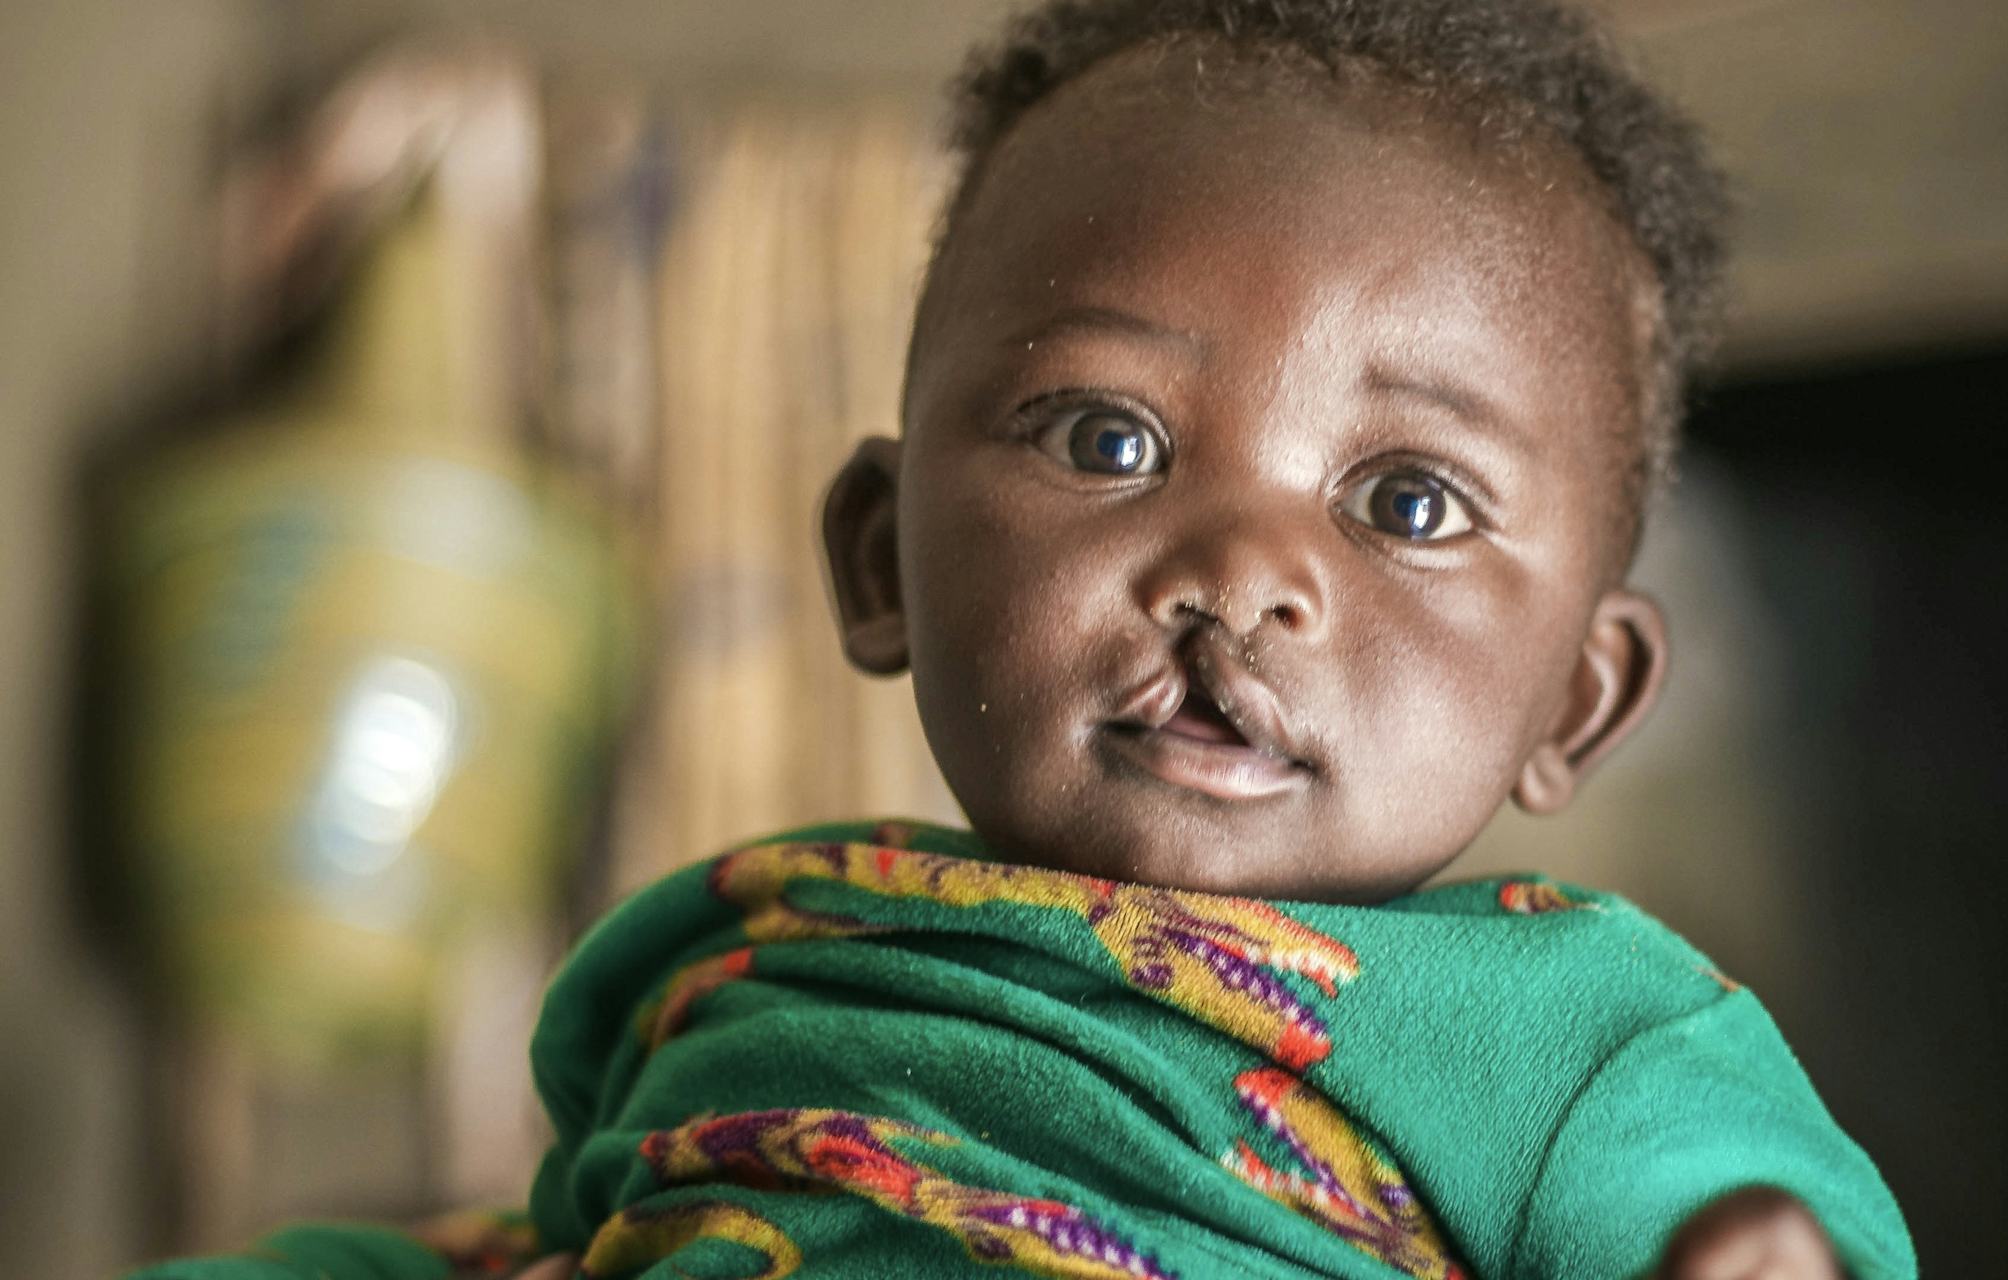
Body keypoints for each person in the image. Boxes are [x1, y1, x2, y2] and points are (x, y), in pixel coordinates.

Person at [133, 0, 1915, 1277]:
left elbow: (1747, 1224)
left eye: (1410, 504)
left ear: (1579, 701)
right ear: (880, 562)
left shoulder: (1570, 1039)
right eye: (1108, 441)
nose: (1243, 571)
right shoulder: (777, 946)